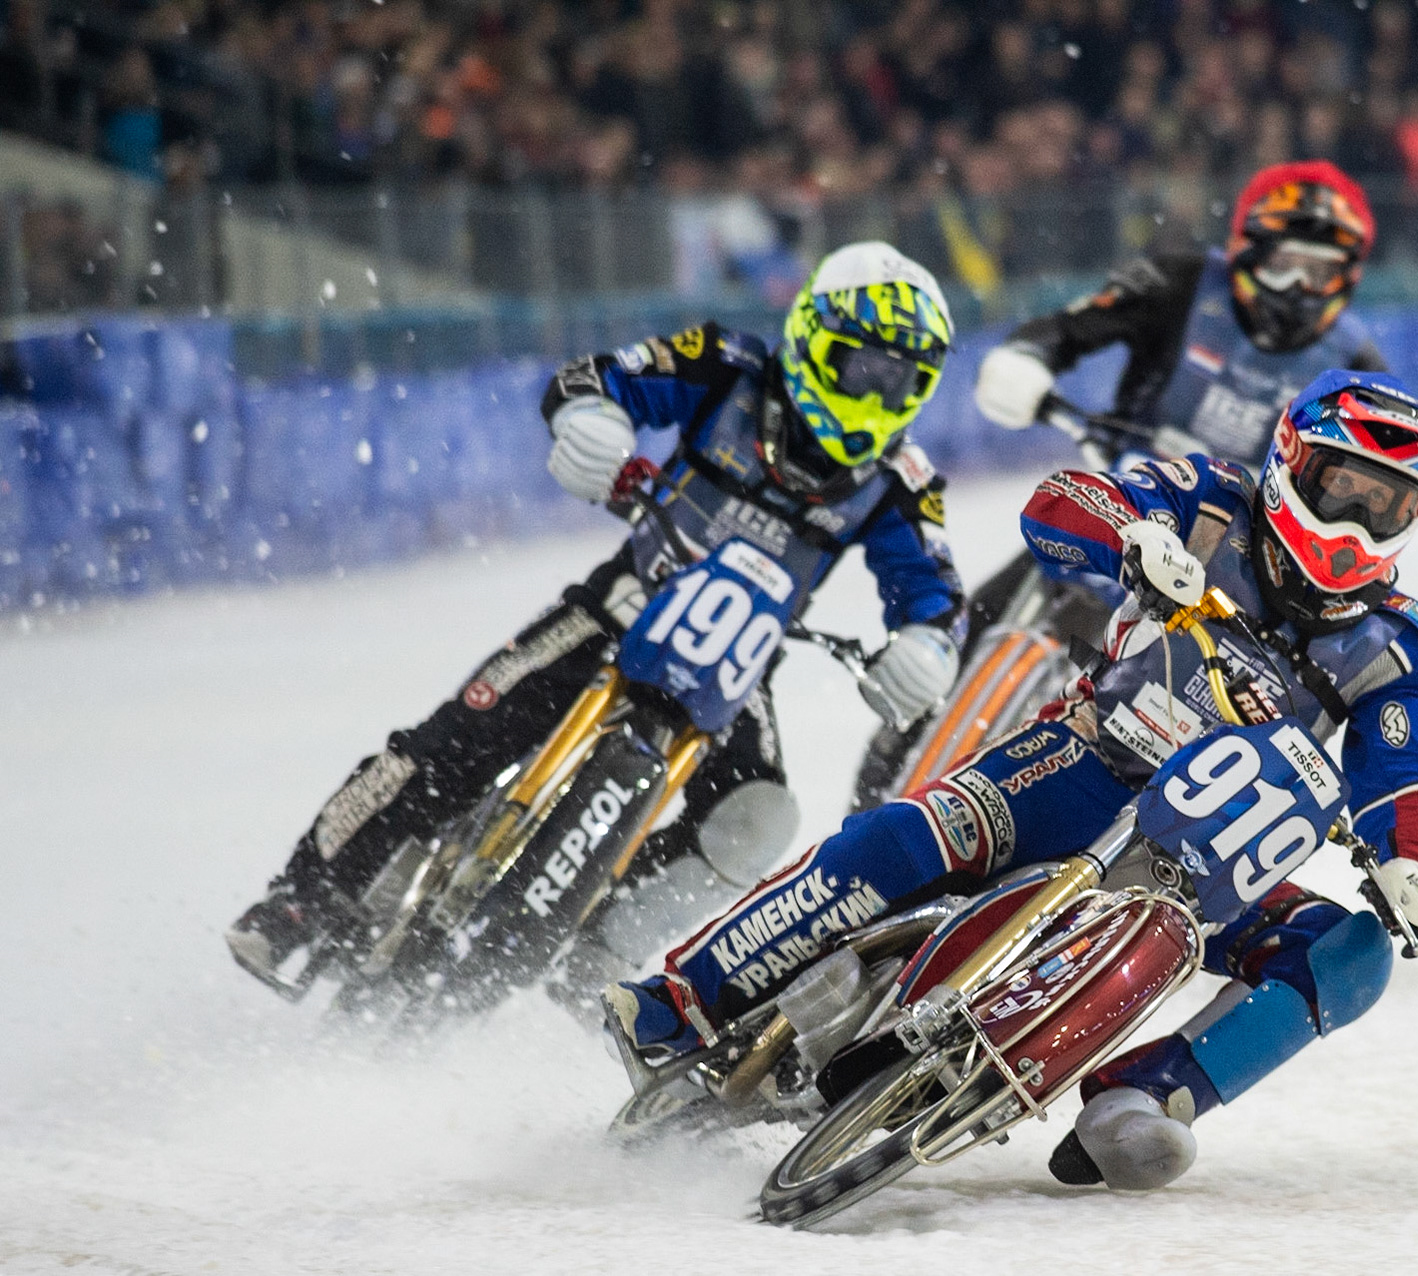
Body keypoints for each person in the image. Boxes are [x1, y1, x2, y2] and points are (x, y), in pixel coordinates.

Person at [606, 368, 1418, 1191]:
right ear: (1291, 467)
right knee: (908, 837)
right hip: (1084, 764)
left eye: (1387, 505)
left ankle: (1146, 1098)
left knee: (1350, 955)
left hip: (1211, 863)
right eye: (1344, 486)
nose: (1357, 520)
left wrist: (1415, 860)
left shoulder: (1403, 643)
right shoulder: (1207, 497)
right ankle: (682, 999)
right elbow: (1062, 502)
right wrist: (1133, 537)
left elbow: (1405, 763)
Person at [225, 243, 969, 998]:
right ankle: (301, 898)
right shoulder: (725, 364)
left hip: (742, 666)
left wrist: (928, 645)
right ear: (813, 336)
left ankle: (602, 947)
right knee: (457, 739)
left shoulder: (901, 484)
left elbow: (937, 591)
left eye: (902, 381)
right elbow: (594, 378)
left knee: (756, 819)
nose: (878, 396)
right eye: (864, 368)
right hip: (623, 603)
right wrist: (592, 421)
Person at [973, 159, 1388, 469]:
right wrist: (1029, 356)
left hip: (1254, 539)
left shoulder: (1354, 362)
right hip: (1124, 490)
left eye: (1318, 271)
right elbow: (1069, 329)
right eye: (1283, 264)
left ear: (1347, 276)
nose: (1297, 286)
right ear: (1246, 253)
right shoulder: (1178, 283)